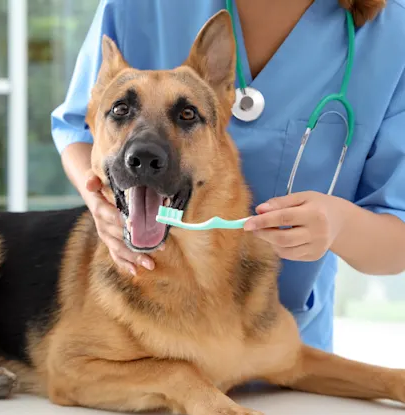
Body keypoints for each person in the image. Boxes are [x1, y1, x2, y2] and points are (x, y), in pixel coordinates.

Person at [51, 0, 405, 353]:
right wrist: (101, 201)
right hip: (139, 349)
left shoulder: (393, 34)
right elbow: (80, 132)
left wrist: (340, 224)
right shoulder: (138, 7)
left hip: (282, 351)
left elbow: (397, 238)